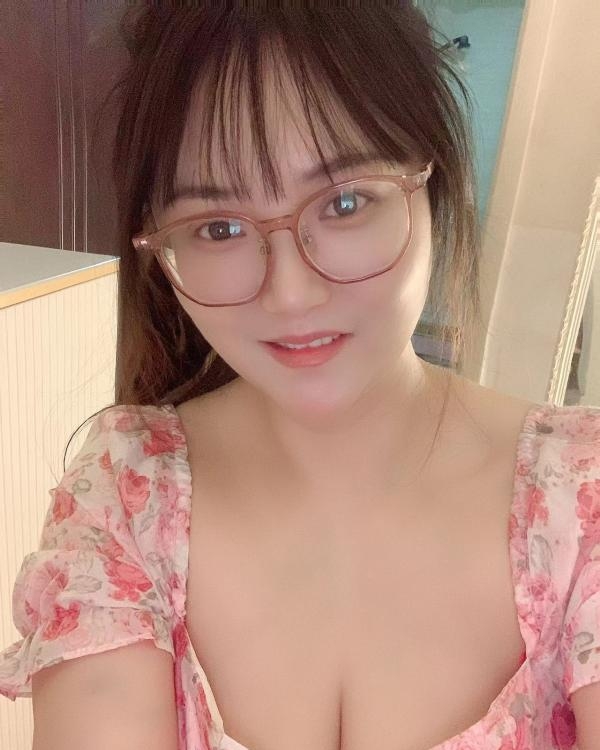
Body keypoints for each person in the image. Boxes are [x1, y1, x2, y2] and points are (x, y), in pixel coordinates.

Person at [1, 5, 599, 750]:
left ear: (433, 185)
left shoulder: (581, 497)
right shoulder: (126, 493)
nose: (290, 294)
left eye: (345, 203)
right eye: (219, 228)